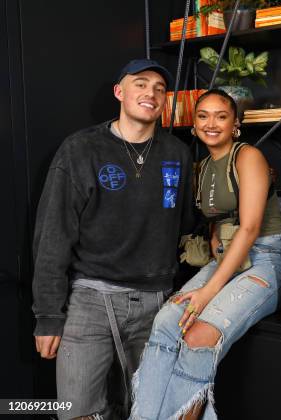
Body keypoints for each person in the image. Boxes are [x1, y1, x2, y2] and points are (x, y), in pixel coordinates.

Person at [32, 59, 194, 419]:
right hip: (90, 300)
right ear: (120, 92)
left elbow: (185, 228)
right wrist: (48, 316)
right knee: (76, 412)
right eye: (140, 84)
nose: (150, 93)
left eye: (159, 89)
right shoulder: (80, 150)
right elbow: (52, 236)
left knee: (148, 411)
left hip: (156, 304)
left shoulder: (177, 155)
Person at [130, 89, 281, 420]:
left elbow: (249, 228)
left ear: (236, 125)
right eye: (203, 116)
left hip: (264, 259)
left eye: (221, 116)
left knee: (200, 336)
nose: (211, 123)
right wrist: (215, 246)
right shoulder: (202, 167)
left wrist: (207, 291)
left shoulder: (248, 157)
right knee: (166, 322)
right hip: (227, 259)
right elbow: (218, 222)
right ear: (194, 125)